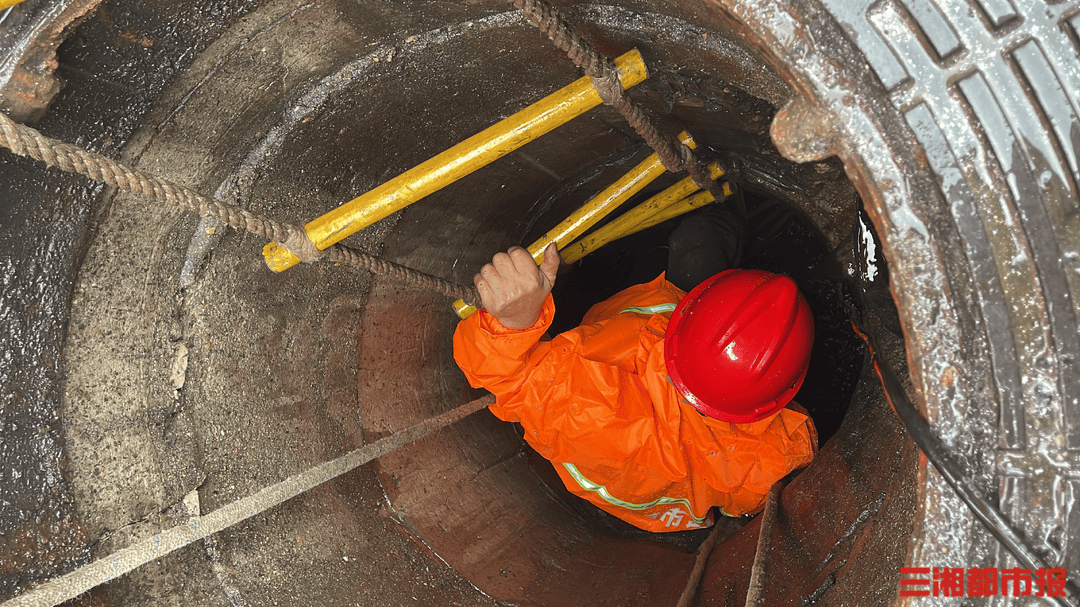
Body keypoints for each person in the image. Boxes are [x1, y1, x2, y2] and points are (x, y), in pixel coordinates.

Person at [453, 203, 818, 532]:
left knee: (697, 238)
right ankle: (739, 208)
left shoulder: (598, 413)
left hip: (612, 432)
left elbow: (506, 377)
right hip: (650, 463)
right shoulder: (770, 456)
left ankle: (731, 206)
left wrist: (513, 321)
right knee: (702, 238)